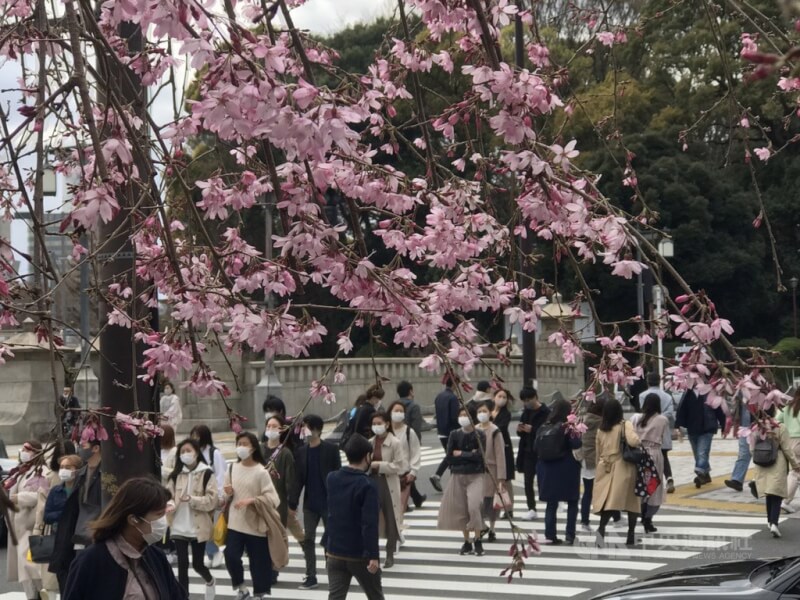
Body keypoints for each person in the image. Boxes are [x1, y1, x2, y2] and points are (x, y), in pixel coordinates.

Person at [62, 476, 186, 600]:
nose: (163, 521)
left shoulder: (156, 557)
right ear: (133, 519)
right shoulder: (92, 560)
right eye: (158, 515)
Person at [324, 434, 384, 600]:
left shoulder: (332, 478)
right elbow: (369, 523)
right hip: (359, 554)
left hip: (335, 551)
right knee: (375, 595)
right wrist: (373, 555)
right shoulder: (367, 485)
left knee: (335, 597)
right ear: (367, 456)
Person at [223, 431, 281, 600]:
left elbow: (273, 499)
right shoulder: (232, 468)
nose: (241, 447)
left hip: (256, 525)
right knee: (231, 556)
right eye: (239, 444)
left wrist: (252, 500)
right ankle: (241, 588)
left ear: (253, 448)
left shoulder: (261, 472)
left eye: (245, 444)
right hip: (235, 522)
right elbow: (226, 495)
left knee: (259, 564)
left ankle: (258, 594)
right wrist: (227, 493)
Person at [289, 414, 341, 590]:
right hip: (310, 504)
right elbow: (298, 480)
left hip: (329, 502)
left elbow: (338, 476)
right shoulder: (301, 451)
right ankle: (311, 576)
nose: (306, 430)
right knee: (308, 538)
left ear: (318, 429)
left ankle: (333, 572)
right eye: (304, 427)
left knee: (330, 539)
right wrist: (292, 503)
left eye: (308, 427)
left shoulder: (331, 450)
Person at [165, 438, 217, 599]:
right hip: (178, 526)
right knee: (182, 566)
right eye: (182, 452)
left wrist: (193, 499)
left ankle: (210, 580)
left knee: (198, 564)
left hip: (198, 527)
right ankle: (183, 596)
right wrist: (170, 504)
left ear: (196, 453)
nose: (185, 454)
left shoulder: (207, 473)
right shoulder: (175, 475)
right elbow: (168, 495)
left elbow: (212, 500)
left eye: (188, 451)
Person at [48, 439, 102, 592]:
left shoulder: (106, 474)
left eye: (83, 446)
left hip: (97, 534)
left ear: (96, 448)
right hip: (77, 534)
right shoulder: (81, 474)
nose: (79, 449)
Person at [593, 398, 642, 547]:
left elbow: (598, 452)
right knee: (632, 502)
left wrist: (599, 468)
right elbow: (634, 441)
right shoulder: (624, 425)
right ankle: (631, 535)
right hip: (623, 466)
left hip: (604, 466)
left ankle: (601, 530)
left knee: (609, 502)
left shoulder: (601, 429)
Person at [437, 406, 486, 556]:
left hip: (476, 475)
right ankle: (467, 541)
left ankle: (478, 538)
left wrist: (462, 454)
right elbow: (450, 456)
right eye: (461, 415)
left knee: (474, 506)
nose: (463, 417)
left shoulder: (480, 434)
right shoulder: (454, 434)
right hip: (457, 475)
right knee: (460, 510)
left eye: (466, 415)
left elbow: (480, 456)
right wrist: (469, 454)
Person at [262, 414, 304, 585]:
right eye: (268, 426)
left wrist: (291, 502)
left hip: (278, 503)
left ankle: (273, 569)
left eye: (275, 426)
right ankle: (264, 568)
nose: (270, 429)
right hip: (260, 502)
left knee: (275, 537)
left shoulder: (285, 453)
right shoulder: (260, 449)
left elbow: (290, 482)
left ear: (282, 430)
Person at [6, 441, 50, 600]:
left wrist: (19, 498)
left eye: (27, 450)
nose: (22, 452)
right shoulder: (21, 472)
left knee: (31, 565)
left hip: (32, 526)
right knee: (25, 568)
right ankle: (33, 596)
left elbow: (42, 495)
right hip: (18, 526)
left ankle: (41, 593)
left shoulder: (42, 472)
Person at [34, 450, 80, 599]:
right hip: (59, 538)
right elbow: (47, 516)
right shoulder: (56, 491)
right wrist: (65, 513)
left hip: (77, 538)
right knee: (63, 577)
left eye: (68, 467)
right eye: (62, 467)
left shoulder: (82, 489)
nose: (64, 470)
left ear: (77, 469)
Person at [535, 399, 581, 545]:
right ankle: (570, 535)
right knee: (572, 501)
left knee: (551, 503)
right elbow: (576, 444)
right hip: (566, 467)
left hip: (546, 468)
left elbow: (535, 447)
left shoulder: (544, 426)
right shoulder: (567, 427)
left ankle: (550, 534)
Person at [751, 411, 800, 537]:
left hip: (761, 462)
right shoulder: (780, 427)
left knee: (769, 493)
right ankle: (774, 523)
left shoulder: (756, 427)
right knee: (777, 494)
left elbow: (751, 447)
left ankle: (769, 521)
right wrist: (795, 465)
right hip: (777, 461)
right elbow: (787, 449)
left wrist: (758, 457)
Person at [368, 412, 405, 569]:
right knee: (371, 519)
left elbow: (400, 466)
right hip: (372, 482)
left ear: (387, 424)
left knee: (391, 518)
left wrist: (379, 465)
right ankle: (372, 553)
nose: (376, 426)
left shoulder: (395, 443)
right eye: (374, 423)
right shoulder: (370, 442)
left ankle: (390, 553)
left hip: (389, 483)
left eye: (379, 423)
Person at [631, 393, 669, 533]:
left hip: (639, 454)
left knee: (641, 485)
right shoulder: (662, 419)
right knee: (653, 486)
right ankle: (648, 519)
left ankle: (638, 512)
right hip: (654, 454)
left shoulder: (636, 418)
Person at [190, 424, 227, 568]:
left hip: (210, 495)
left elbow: (220, 474)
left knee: (206, 525)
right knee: (202, 526)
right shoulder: (192, 453)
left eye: (197, 436)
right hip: (195, 496)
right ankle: (212, 553)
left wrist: (219, 495)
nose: (195, 439)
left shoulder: (214, 453)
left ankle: (214, 551)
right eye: (193, 436)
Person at [675, 387, 726, 488]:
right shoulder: (688, 393)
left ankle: (700, 475)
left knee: (702, 452)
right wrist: (677, 425)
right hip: (692, 428)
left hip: (707, 427)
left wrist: (724, 425)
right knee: (698, 454)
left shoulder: (710, 392)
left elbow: (718, 409)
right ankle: (706, 474)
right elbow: (682, 409)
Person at [515, 387, 550, 520]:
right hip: (527, 451)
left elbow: (548, 431)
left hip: (541, 452)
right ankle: (531, 508)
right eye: (524, 400)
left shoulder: (546, 412)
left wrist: (533, 430)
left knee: (543, 481)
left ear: (536, 397)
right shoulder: (526, 412)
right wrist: (520, 430)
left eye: (529, 399)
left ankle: (552, 502)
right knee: (528, 481)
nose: (527, 402)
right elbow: (521, 433)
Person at [638, 372, 676, 493]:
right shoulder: (667, 396)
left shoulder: (642, 395)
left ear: (648, 381)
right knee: (664, 456)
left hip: (648, 431)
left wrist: (652, 419)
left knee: (648, 458)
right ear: (660, 381)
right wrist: (659, 418)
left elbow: (643, 412)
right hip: (663, 431)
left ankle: (652, 482)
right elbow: (670, 413)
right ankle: (669, 477)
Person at [475, 401, 506, 541]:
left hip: (491, 471)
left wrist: (501, 477)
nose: (482, 414)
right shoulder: (474, 429)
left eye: (484, 411)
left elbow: (500, 455)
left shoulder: (495, 431)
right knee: (477, 502)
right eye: (479, 411)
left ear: (490, 412)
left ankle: (492, 528)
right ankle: (480, 527)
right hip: (476, 472)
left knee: (492, 502)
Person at [387, 401, 422, 514]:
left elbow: (415, 452)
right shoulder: (385, 432)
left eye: (401, 411)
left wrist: (413, 472)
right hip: (387, 475)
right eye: (396, 411)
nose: (398, 413)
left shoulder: (409, 432)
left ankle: (398, 529)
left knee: (400, 508)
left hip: (404, 476)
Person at [396, 381, 426, 508]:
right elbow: (416, 427)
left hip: (396, 440)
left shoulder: (395, 406)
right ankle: (406, 501)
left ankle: (416, 497)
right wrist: (417, 443)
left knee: (401, 469)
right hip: (409, 440)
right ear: (410, 391)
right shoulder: (414, 407)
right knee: (407, 470)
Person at [579, 397, 605, 531]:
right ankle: (615, 517)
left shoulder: (584, 419)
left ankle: (584, 521)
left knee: (588, 492)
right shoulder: (601, 422)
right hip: (595, 460)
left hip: (585, 460)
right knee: (604, 490)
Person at [431, 377, 460, 493]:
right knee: (453, 456)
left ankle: (439, 476)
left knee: (450, 455)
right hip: (451, 431)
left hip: (441, 431)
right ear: (455, 384)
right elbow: (454, 417)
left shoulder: (439, 396)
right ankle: (440, 476)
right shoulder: (453, 398)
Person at [491, 389, 516, 518]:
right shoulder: (488, 411)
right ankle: (494, 507)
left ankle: (509, 508)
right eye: (499, 396)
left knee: (506, 479)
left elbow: (500, 428)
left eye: (504, 397)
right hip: (490, 449)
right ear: (494, 397)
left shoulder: (506, 414)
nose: (501, 398)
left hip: (504, 448)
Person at [725, 394, 753, 493]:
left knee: (761, 455)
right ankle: (737, 480)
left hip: (759, 428)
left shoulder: (761, 395)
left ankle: (758, 482)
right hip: (744, 429)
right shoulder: (741, 397)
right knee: (743, 454)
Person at [777, 389, 800, 512]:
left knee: (795, 470)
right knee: (796, 472)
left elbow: (776, 421)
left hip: (790, 440)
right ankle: (785, 501)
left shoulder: (787, 408)